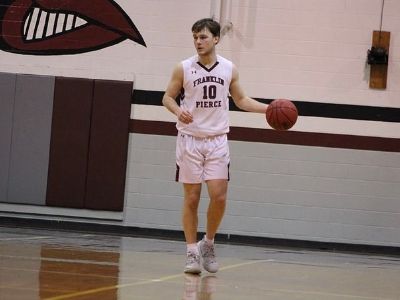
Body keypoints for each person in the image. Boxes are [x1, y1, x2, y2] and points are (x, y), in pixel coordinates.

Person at [162, 18, 267, 274]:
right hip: (190, 140)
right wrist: (177, 110)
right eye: (195, 37)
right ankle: (190, 252)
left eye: (204, 37)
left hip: (217, 140)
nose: (198, 41)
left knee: (219, 196)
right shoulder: (183, 68)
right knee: (192, 197)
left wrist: (269, 110)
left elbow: (241, 100)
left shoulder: (228, 68)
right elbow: (166, 97)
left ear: (216, 39)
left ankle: (207, 243)